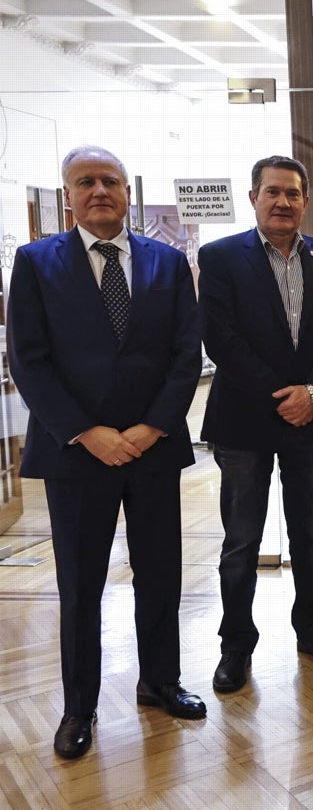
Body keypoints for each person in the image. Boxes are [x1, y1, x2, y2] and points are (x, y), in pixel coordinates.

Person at [7, 145, 206, 759]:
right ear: (67, 194)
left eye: (110, 181)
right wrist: (86, 431)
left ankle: (160, 681)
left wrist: (152, 427)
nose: (100, 191)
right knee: (81, 585)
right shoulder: (35, 263)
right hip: (76, 455)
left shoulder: (168, 264)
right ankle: (79, 707)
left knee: (160, 576)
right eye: (86, 182)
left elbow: (184, 355)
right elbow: (29, 361)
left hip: (152, 449)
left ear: (127, 192)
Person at [199, 155, 313, 693]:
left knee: (311, 536)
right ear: (253, 197)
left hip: (309, 421)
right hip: (244, 422)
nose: (283, 202)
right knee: (241, 542)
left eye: (293, 193)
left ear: (305, 201)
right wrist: (280, 396)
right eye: (273, 192)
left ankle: (311, 628)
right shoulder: (218, 257)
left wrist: (312, 392)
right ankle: (235, 644)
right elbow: (220, 339)